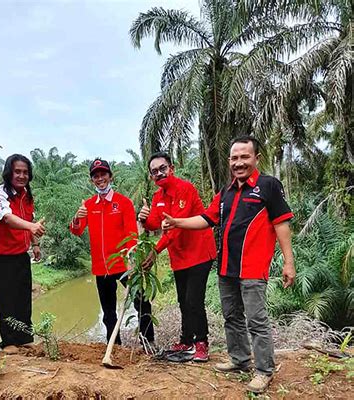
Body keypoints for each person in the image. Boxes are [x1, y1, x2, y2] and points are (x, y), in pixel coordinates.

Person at [162, 136, 296, 394]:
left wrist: (288, 262)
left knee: (256, 320)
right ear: (229, 162)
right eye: (234, 158)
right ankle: (240, 359)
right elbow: (205, 218)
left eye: (245, 157)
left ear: (256, 158)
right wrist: (177, 222)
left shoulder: (268, 186)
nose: (239, 162)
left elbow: (281, 224)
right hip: (226, 267)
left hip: (253, 268)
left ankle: (264, 370)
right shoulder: (226, 192)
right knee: (231, 316)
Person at [137, 152, 217, 362]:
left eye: (162, 168)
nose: (159, 173)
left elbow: (177, 227)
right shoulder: (157, 197)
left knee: (194, 299)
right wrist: (144, 219)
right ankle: (186, 340)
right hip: (179, 255)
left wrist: (156, 251)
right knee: (183, 299)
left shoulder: (185, 189)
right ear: (151, 176)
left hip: (200, 252)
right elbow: (155, 223)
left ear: (171, 168)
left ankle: (201, 344)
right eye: (154, 171)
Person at [70, 158, 154, 346]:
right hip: (102, 268)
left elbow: (131, 233)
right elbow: (76, 230)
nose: (100, 179)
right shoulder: (89, 205)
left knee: (141, 302)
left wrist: (132, 261)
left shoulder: (123, 202)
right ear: (92, 180)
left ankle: (148, 341)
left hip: (124, 265)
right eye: (96, 176)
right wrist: (77, 217)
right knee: (108, 312)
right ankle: (114, 345)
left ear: (110, 176)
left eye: (103, 174)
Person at [0, 154, 45, 354]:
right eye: (17, 171)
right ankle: (9, 342)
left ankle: (25, 337)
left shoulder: (27, 194)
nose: (21, 176)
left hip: (21, 253)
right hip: (1, 255)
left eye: (25, 172)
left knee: (23, 296)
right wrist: (31, 226)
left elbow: (31, 218)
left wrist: (35, 245)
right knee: (6, 297)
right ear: (9, 172)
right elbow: (7, 218)